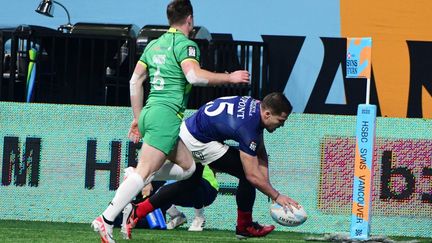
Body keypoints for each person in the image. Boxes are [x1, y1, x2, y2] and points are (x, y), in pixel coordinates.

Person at [91, 0, 249, 242]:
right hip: (165, 116)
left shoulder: (154, 45)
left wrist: (138, 117)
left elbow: (135, 82)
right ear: (190, 19)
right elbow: (194, 76)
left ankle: (134, 177)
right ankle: (106, 218)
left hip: (152, 113)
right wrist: (230, 77)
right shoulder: (186, 45)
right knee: (146, 172)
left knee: (189, 169)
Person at [125, 92, 301, 239]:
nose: (282, 125)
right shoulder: (248, 127)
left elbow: (260, 151)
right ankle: (244, 226)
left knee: (190, 183)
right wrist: (277, 196)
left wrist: (266, 182)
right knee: (246, 174)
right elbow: (253, 175)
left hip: (191, 128)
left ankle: (138, 210)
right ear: (268, 114)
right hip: (198, 141)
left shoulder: (257, 107)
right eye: (281, 120)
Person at [120, 163, 218, 239]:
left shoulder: (185, 151)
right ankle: (177, 216)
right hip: (186, 191)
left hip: (208, 190)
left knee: (192, 182)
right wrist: (146, 181)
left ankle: (199, 218)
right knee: (160, 191)